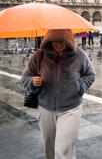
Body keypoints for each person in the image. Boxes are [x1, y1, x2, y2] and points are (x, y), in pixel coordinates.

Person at [21, 29, 96, 159]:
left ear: (68, 40)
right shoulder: (39, 56)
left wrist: (80, 86)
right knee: (49, 147)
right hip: (45, 107)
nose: (59, 44)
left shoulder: (79, 55)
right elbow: (24, 78)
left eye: (62, 41)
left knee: (64, 150)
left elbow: (90, 75)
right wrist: (32, 81)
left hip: (71, 108)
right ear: (49, 40)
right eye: (55, 41)